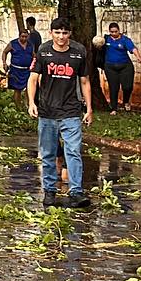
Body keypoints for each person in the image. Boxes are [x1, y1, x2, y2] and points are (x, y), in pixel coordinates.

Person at [27, 17, 93, 209]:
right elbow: (33, 79)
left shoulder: (79, 52)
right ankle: (49, 191)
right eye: (57, 33)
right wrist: (32, 102)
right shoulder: (43, 51)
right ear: (51, 33)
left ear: (69, 34)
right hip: (47, 112)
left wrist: (89, 109)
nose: (61, 37)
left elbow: (85, 81)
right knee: (48, 153)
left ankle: (76, 192)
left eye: (65, 33)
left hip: (71, 111)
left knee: (73, 152)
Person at [101, 21, 141, 113]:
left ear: (119, 31)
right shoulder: (106, 39)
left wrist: (138, 57)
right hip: (110, 67)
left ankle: (126, 102)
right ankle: (114, 108)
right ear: (109, 31)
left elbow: (133, 48)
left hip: (125, 66)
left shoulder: (124, 40)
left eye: (116, 31)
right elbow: (98, 44)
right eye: (112, 32)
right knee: (113, 88)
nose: (114, 34)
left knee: (127, 87)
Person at [2, 28, 37, 103]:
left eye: (26, 37)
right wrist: (4, 63)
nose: (24, 38)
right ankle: (18, 107)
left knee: (29, 88)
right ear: (19, 36)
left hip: (27, 70)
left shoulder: (30, 45)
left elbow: (34, 55)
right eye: (22, 36)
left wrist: (34, 64)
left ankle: (28, 105)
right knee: (17, 89)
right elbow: (4, 52)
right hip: (15, 70)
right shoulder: (13, 43)